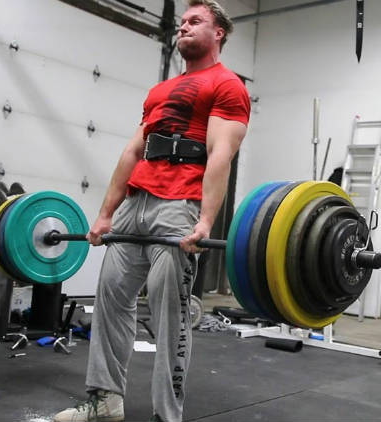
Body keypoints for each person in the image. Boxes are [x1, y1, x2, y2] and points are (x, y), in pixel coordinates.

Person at [54, 1, 250, 421]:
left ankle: (167, 415)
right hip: (136, 203)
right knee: (110, 297)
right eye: (181, 22)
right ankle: (105, 400)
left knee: (170, 313)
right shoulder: (159, 91)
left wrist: (205, 220)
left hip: (179, 206)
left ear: (219, 33)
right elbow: (132, 150)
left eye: (195, 21)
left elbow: (219, 155)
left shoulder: (227, 85)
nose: (183, 27)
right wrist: (106, 213)